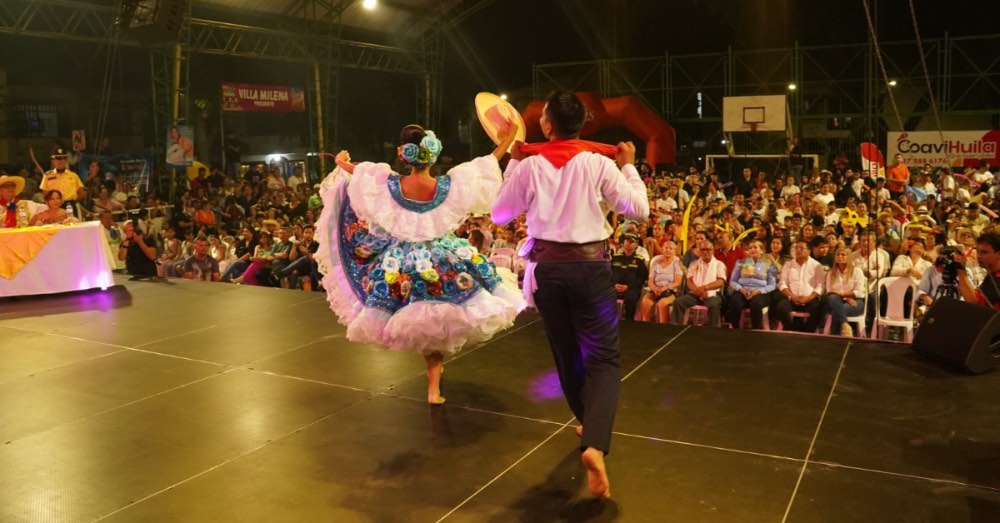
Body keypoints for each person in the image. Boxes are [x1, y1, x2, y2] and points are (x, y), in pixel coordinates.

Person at [492, 90, 648, 498]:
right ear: (584, 124)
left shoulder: (529, 167)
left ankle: (587, 423)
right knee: (604, 359)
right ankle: (595, 441)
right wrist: (629, 168)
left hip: (549, 272)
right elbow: (638, 210)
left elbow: (499, 214)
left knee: (567, 355)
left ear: (546, 125)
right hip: (591, 268)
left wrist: (514, 161)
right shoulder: (598, 162)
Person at [319, 122, 524, 408]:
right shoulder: (448, 186)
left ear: (404, 155)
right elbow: (486, 165)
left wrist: (341, 160)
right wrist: (508, 136)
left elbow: (358, 171)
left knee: (429, 323)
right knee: (436, 322)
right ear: (433, 155)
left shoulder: (388, 184)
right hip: (444, 259)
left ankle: (433, 379)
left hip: (402, 263)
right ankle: (433, 383)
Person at [773, 239, 825, 332]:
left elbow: (820, 286)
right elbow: (782, 283)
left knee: (817, 308)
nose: (798, 250)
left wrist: (808, 298)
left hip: (810, 299)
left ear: (809, 251)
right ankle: (792, 328)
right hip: (792, 298)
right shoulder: (788, 264)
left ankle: (808, 332)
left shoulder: (816, 265)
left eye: (801, 248)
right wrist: (792, 296)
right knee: (781, 307)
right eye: (796, 248)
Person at [726, 240, 777, 329]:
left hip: (760, 291)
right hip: (742, 290)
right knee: (734, 302)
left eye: (755, 247)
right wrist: (741, 289)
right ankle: (735, 330)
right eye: (750, 248)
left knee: (756, 304)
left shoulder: (769, 264)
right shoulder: (741, 262)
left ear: (761, 250)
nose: (752, 250)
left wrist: (758, 291)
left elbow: (772, 285)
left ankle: (755, 331)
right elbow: (733, 281)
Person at [639, 240, 684, 322]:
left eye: (671, 248)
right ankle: (644, 325)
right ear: (662, 249)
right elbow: (650, 280)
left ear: (674, 251)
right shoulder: (656, 263)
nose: (668, 250)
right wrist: (654, 288)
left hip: (670, 291)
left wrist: (664, 288)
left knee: (662, 303)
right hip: (655, 290)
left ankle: (663, 327)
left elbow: (677, 282)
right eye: (666, 248)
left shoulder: (677, 263)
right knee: (646, 300)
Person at [825, 248, 867, 336]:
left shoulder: (857, 271)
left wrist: (844, 296)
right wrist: (845, 298)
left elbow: (859, 291)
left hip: (856, 301)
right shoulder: (831, 273)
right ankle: (845, 326)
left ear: (849, 257)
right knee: (833, 299)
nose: (840, 256)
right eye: (838, 254)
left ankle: (834, 336)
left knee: (836, 310)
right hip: (837, 301)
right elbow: (829, 292)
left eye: (843, 255)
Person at [956, 232, 1000, 308]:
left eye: (984, 252)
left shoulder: (998, 278)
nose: (979, 256)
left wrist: (961, 272)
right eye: (978, 252)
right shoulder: (992, 275)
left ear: (998, 254)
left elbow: (974, 302)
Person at [611, 234, 648, 320]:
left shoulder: (639, 260)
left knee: (631, 299)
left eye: (631, 242)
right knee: (605, 295)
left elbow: (641, 278)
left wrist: (628, 287)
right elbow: (608, 274)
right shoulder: (615, 258)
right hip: (614, 287)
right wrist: (614, 285)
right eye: (626, 240)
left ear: (636, 245)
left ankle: (628, 323)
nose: (628, 243)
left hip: (631, 288)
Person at [40, 148, 83, 213]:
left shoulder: (73, 175)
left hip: (70, 206)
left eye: (63, 159)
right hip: (54, 206)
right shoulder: (47, 176)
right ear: (53, 161)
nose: (61, 161)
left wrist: (72, 202)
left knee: (73, 222)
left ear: (66, 161)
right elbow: (44, 194)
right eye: (58, 159)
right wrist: (49, 204)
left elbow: (81, 193)